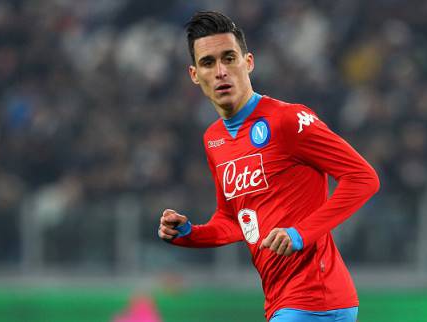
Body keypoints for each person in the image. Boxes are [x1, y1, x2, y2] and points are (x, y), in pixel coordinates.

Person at [158, 11, 380, 322]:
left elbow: (363, 178)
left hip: (315, 296)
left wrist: (301, 233)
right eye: (209, 63)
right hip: (280, 299)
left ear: (248, 62)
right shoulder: (214, 140)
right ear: (195, 74)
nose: (221, 71)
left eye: (229, 58)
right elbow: (233, 220)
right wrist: (189, 233)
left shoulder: (287, 119)